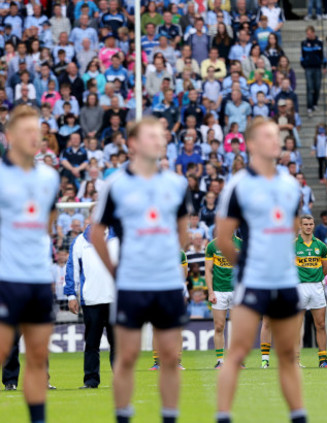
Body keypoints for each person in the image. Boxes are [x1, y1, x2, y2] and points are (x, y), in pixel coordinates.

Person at [91, 118, 192, 423]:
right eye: (152, 136)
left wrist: (168, 260)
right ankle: (123, 416)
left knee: (171, 359)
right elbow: (97, 233)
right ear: (133, 144)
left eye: (161, 136)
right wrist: (115, 272)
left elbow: (182, 231)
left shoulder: (177, 184)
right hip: (132, 285)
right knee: (127, 357)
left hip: (167, 284)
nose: (159, 140)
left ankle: (169, 417)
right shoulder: (115, 185)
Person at [215, 118, 305, 423]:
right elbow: (223, 238)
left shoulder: (290, 184)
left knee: (288, 357)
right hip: (253, 282)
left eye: (277, 135)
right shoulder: (238, 185)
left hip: (287, 281)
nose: (276, 140)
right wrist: (246, 265)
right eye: (268, 136)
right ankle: (224, 416)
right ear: (251, 144)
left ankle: (298, 416)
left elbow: (293, 227)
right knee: (237, 353)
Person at [0, 106, 60, 423]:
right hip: (6, 279)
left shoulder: (50, 176)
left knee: (38, 356)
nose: (34, 136)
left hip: (38, 280)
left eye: (37, 130)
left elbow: (49, 219)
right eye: (27, 131)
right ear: (9, 137)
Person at [65, 223, 118, 388]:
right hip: (91, 300)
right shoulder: (80, 241)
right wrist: (71, 295)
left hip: (116, 299)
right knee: (91, 344)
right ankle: (91, 381)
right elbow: (72, 268)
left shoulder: (118, 238)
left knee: (118, 344)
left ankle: (121, 380)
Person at [295, 215, 327, 368]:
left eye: (311, 224)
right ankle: (295, 360)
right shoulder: (293, 245)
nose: (308, 226)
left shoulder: (321, 246)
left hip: (316, 286)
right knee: (296, 325)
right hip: (299, 287)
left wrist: (317, 279)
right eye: (305, 224)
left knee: (321, 324)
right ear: (300, 226)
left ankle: (323, 360)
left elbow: (326, 267)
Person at [205, 229, 242, 369]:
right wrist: (210, 292)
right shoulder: (212, 246)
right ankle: (220, 360)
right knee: (219, 326)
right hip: (219, 291)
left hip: (236, 291)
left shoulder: (240, 244)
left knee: (237, 328)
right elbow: (208, 270)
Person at [300, 26, 326, 117]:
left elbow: (322, 55)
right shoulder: (304, 43)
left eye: (310, 33)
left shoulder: (319, 42)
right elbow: (302, 55)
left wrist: (324, 65)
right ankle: (309, 107)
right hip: (308, 68)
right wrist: (303, 64)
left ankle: (315, 103)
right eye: (307, 34)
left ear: (313, 33)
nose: (308, 35)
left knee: (317, 87)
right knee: (310, 88)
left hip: (317, 67)